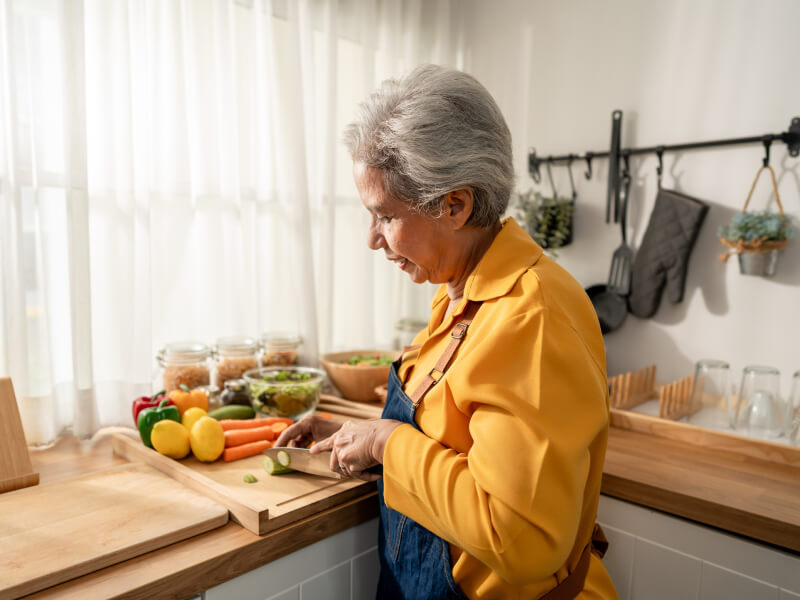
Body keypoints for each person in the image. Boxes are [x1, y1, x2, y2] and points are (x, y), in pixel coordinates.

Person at [275, 64, 617, 600]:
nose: (372, 239)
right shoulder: (459, 289)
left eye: (384, 216)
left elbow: (521, 537)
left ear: (455, 205)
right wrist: (358, 437)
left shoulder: (533, 318)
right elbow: (455, 435)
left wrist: (389, 443)